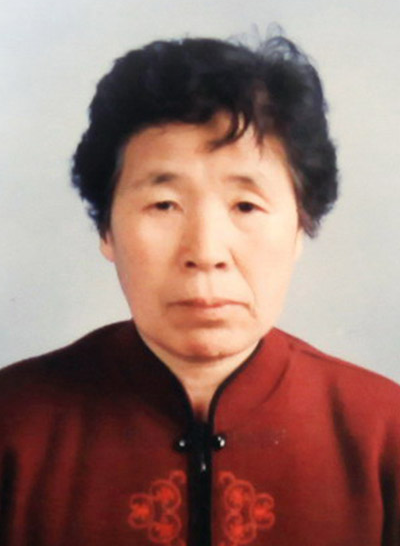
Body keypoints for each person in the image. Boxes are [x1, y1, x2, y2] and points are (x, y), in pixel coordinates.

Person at [0, 33, 399, 546]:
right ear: (107, 230)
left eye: (245, 206)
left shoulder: (383, 434)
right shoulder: (12, 426)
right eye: (164, 205)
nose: (206, 252)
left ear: (300, 228)